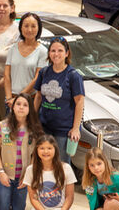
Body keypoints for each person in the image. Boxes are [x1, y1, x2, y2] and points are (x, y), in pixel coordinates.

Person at [34, 36, 85, 164]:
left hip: (63, 130)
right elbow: (38, 96)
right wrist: (33, 120)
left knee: (61, 166)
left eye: (60, 51)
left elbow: (79, 102)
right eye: (53, 51)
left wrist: (75, 128)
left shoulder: (73, 75)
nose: (56, 54)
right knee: (44, 163)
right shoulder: (44, 72)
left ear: (67, 53)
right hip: (44, 127)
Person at [0, 93, 43, 210]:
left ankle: (10, 195)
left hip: (23, 176)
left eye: (25, 105)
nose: (21, 107)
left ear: (30, 109)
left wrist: (28, 175)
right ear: (13, 107)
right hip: (6, 174)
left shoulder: (34, 129)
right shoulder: (3, 126)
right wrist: (1, 172)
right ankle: (0, 194)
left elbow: (35, 155)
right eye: (18, 104)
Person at [23, 135, 76, 210]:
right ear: (36, 150)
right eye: (42, 148)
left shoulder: (66, 168)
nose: (45, 151)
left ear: (55, 150)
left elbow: (69, 197)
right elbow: (33, 199)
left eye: (49, 148)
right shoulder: (30, 170)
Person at [4, 12, 47, 109]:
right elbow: (6, 75)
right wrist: (9, 98)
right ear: (21, 28)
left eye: (33, 26)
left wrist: (19, 98)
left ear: (39, 28)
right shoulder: (13, 48)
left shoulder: (42, 52)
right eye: (26, 26)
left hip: (30, 100)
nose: (29, 30)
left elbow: (37, 79)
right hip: (11, 100)